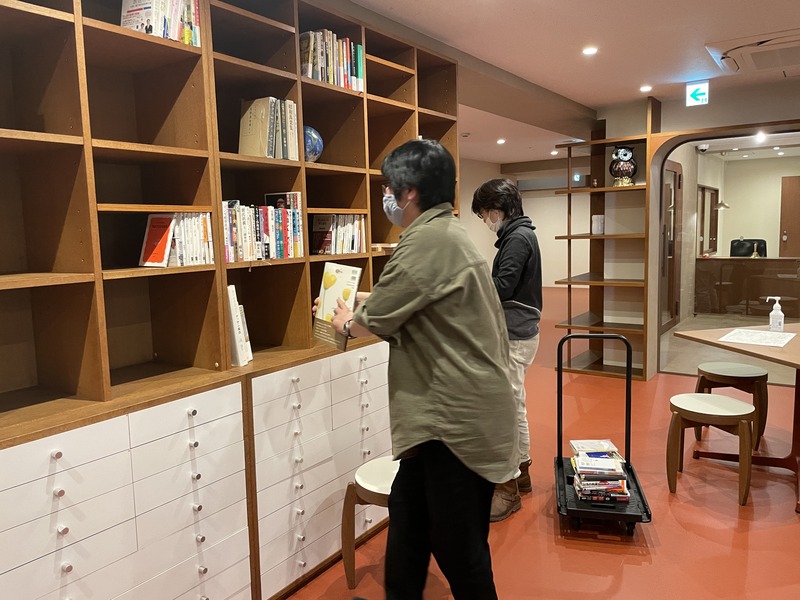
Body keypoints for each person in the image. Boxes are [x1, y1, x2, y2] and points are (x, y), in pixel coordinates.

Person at [323, 139, 517, 599]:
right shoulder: (445, 233)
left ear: (408, 191)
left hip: (454, 425)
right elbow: (414, 298)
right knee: (408, 536)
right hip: (445, 423)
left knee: (460, 553)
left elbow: (370, 322)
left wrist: (343, 321)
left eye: (388, 188)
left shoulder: (426, 240)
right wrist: (362, 302)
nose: (385, 197)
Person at [472, 178, 543, 522]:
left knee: (507, 411)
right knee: (515, 405)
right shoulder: (520, 234)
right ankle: (522, 472)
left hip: (514, 335)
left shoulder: (517, 238)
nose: (485, 220)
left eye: (485, 212)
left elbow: (502, 287)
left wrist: (470, 288)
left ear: (498, 209)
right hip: (518, 332)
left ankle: (508, 487)